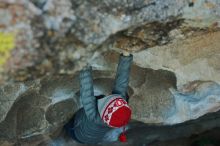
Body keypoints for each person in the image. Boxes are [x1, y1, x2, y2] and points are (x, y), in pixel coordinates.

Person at [64, 51, 133, 144]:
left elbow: (86, 89)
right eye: (115, 98)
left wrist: (84, 64)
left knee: (68, 126)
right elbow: (122, 82)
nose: (111, 96)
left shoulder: (93, 115)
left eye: (108, 99)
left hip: (78, 134)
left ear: (103, 110)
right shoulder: (116, 115)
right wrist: (126, 56)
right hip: (96, 138)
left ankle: (67, 131)